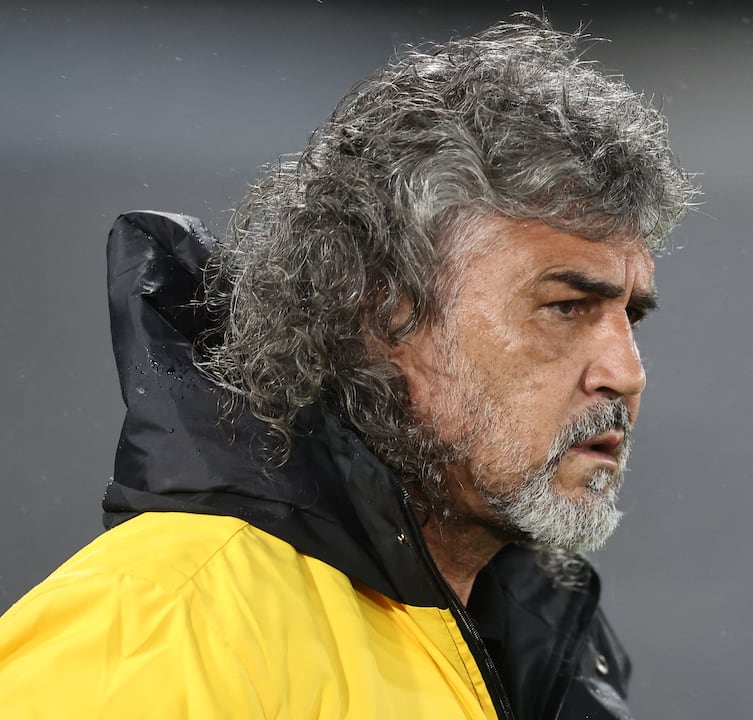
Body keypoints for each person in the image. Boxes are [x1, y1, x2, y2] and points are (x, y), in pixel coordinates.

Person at [0, 15, 695, 719]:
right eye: (568, 306)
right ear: (386, 314)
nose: (625, 372)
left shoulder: (539, 650)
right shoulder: (164, 624)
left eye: (631, 317)